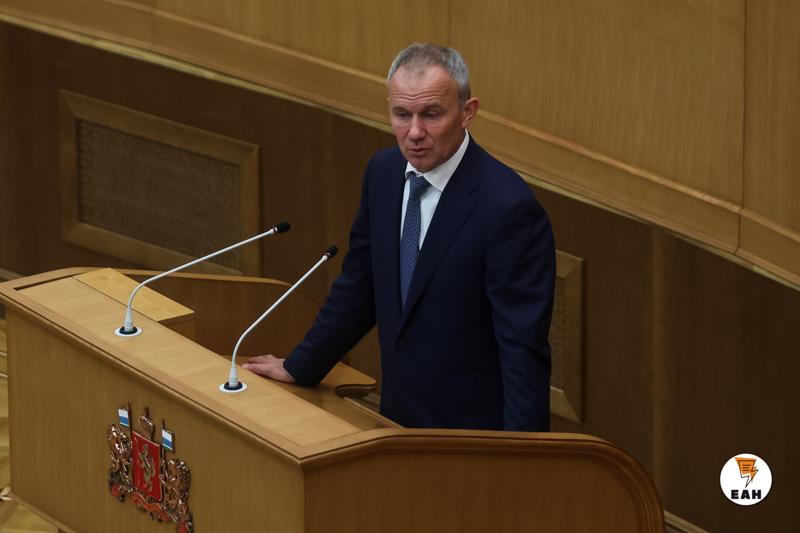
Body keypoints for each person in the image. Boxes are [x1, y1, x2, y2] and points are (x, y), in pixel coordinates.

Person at [244, 43, 556, 432]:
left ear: (467, 112)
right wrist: (300, 366)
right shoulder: (384, 173)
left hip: (470, 435)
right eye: (402, 115)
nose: (414, 133)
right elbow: (360, 287)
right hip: (394, 422)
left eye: (431, 115)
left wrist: (523, 457)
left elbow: (522, 350)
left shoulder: (508, 209)